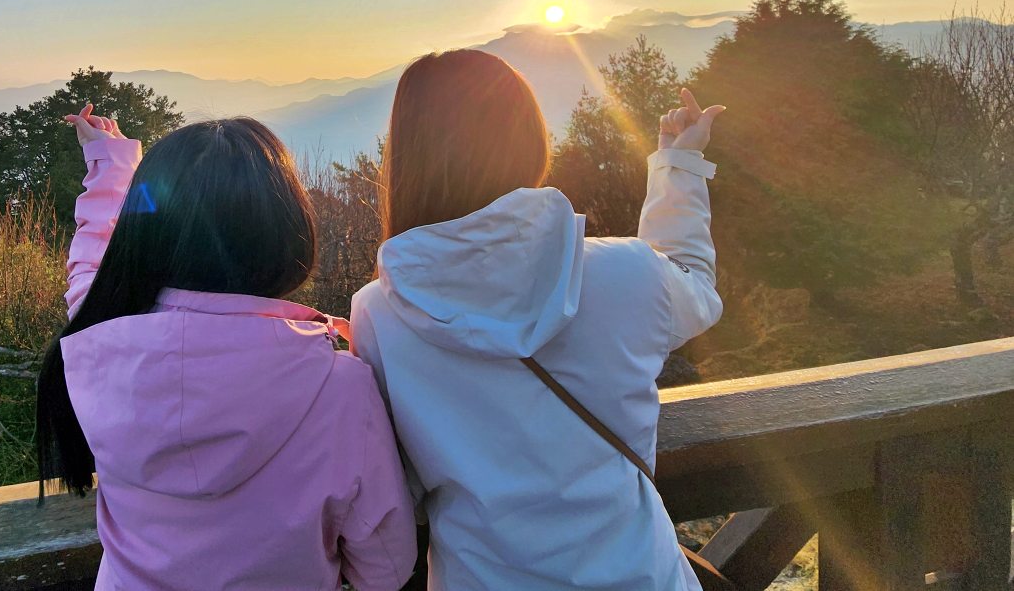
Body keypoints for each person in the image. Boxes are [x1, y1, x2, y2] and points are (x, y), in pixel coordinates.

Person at [349, 49, 725, 591]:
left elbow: (399, 483)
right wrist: (678, 166)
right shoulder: (625, 272)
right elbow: (694, 285)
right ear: (528, 138)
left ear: (407, 159)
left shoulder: (380, 314)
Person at [36, 106, 416, 591]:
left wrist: (109, 164)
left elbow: (91, 269)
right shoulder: (340, 389)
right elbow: (385, 564)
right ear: (284, 229)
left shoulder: (104, 345)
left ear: (143, 239)